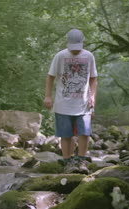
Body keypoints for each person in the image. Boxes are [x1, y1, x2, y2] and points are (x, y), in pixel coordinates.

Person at [44, 28, 98, 174]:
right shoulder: (60, 56)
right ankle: (68, 161)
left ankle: (81, 160)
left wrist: (93, 96)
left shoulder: (89, 56)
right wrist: (48, 96)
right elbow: (50, 77)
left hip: (84, 103)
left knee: (84, 133)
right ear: (68, 43)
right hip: (63, 103)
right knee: (66, 134)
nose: (75, 51)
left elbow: (93, 79)